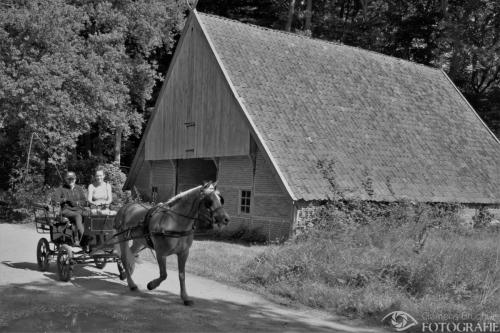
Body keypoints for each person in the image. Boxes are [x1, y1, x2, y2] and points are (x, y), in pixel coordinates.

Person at [51, 171, 87, 246]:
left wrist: (77, 203)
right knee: (77, 216)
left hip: (78, 209)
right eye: (69, 179)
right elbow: (54, 201)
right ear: (65, 179)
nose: (71, 181)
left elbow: (84, 201)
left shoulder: (79, 188)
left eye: (72, 179)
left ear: (75, 179)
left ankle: (93, 238)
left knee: (89, 215)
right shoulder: (61, 189)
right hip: (66, 210)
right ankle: (83, 238)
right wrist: (64, 199)